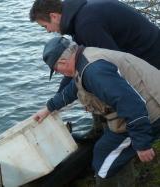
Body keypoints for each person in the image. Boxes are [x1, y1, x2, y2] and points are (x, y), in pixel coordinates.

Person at [33, 36, 160, 186]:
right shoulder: (84, 58)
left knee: (104, 163)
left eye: (56, 70)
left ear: (62, 62)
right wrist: (48, 108)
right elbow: (73, 88)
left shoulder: (94, 72)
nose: (59, 73)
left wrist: (142, 144)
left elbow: (131, 104)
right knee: (104, 151)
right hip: (147, 103)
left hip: (152, 112)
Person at [29, 0, 160, 70]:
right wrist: (56, 101)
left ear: (54, 16)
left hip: (151, 54)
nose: (48, 31)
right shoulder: (79, 15)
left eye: (45, 26)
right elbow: (79, 61)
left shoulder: (86, 24)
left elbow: (114, 63)